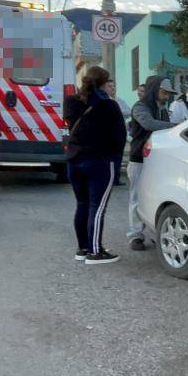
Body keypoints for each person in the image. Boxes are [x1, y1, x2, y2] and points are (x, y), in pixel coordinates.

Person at [64, 66, 127, 264]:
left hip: (74, 160)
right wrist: (114, 156)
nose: (111, 87)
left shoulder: (71, 101)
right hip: (99, 161)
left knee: (82, 204)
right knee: (97, 207)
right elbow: (120, 137)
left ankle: (82, 248)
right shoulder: (109, 105)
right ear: (102, 83)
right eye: (109, 83)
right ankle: (95, 252)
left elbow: (71, 126)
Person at [127, 75, 176, 251]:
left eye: (169, 93)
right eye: (165, 91)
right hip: (139, 158)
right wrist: (177, 126)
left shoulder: (162, 108)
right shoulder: (140, 107)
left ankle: (156, 233)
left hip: (156, 160)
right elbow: (148, 124)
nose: (167, 95)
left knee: (156, 197)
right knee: (136, 198)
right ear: (155, 89)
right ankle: (135, 235)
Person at [102, 79, 130, 186]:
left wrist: (118, 111)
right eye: (110, 86)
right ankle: (108, 178)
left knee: (118, 157)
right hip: (108, 134)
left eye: (114, 86)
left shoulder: (119, 100)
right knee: (108, 158)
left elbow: (128, 111)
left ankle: (115, 179)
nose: (113, 88)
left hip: (120, 133)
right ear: (104, 88)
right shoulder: (104, 101)